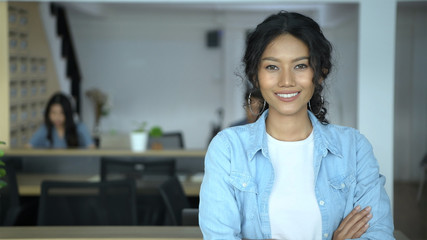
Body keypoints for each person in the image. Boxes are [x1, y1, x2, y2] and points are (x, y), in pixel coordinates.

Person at [199, 11, 394, 240]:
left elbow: (378, 235)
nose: (286, 81)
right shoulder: (228, 148)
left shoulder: (354, 147)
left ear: (320, 73)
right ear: (255, 75)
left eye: (300, 66)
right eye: (272, 67)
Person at [27, 92, 95, 149]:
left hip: (76, 165)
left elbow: (92, 151)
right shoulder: (44, 129)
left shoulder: (81, 128)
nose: (57, 117)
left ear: (68, 113)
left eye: (61, 113)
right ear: (48, 113)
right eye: (53, 113)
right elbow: (27, 148)